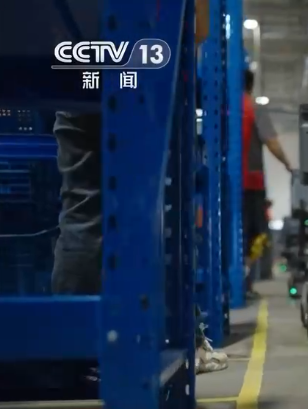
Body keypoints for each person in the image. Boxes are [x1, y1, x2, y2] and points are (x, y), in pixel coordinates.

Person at [47, 1, 229, 377]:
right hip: (141, 74)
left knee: (82, 210)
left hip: (76, 70)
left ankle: (70, 350)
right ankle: (181, 342)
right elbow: (197, 28)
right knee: (156, 217)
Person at [241, 68, 293, 299]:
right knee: (257, 235)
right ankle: (243, 281)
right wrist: (288, 163)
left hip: (227, 183)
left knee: (234, 235)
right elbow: (271, 141)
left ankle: (237, 282)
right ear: (251, 85)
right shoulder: (253, 108)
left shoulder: (224, 108)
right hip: (251, 183)